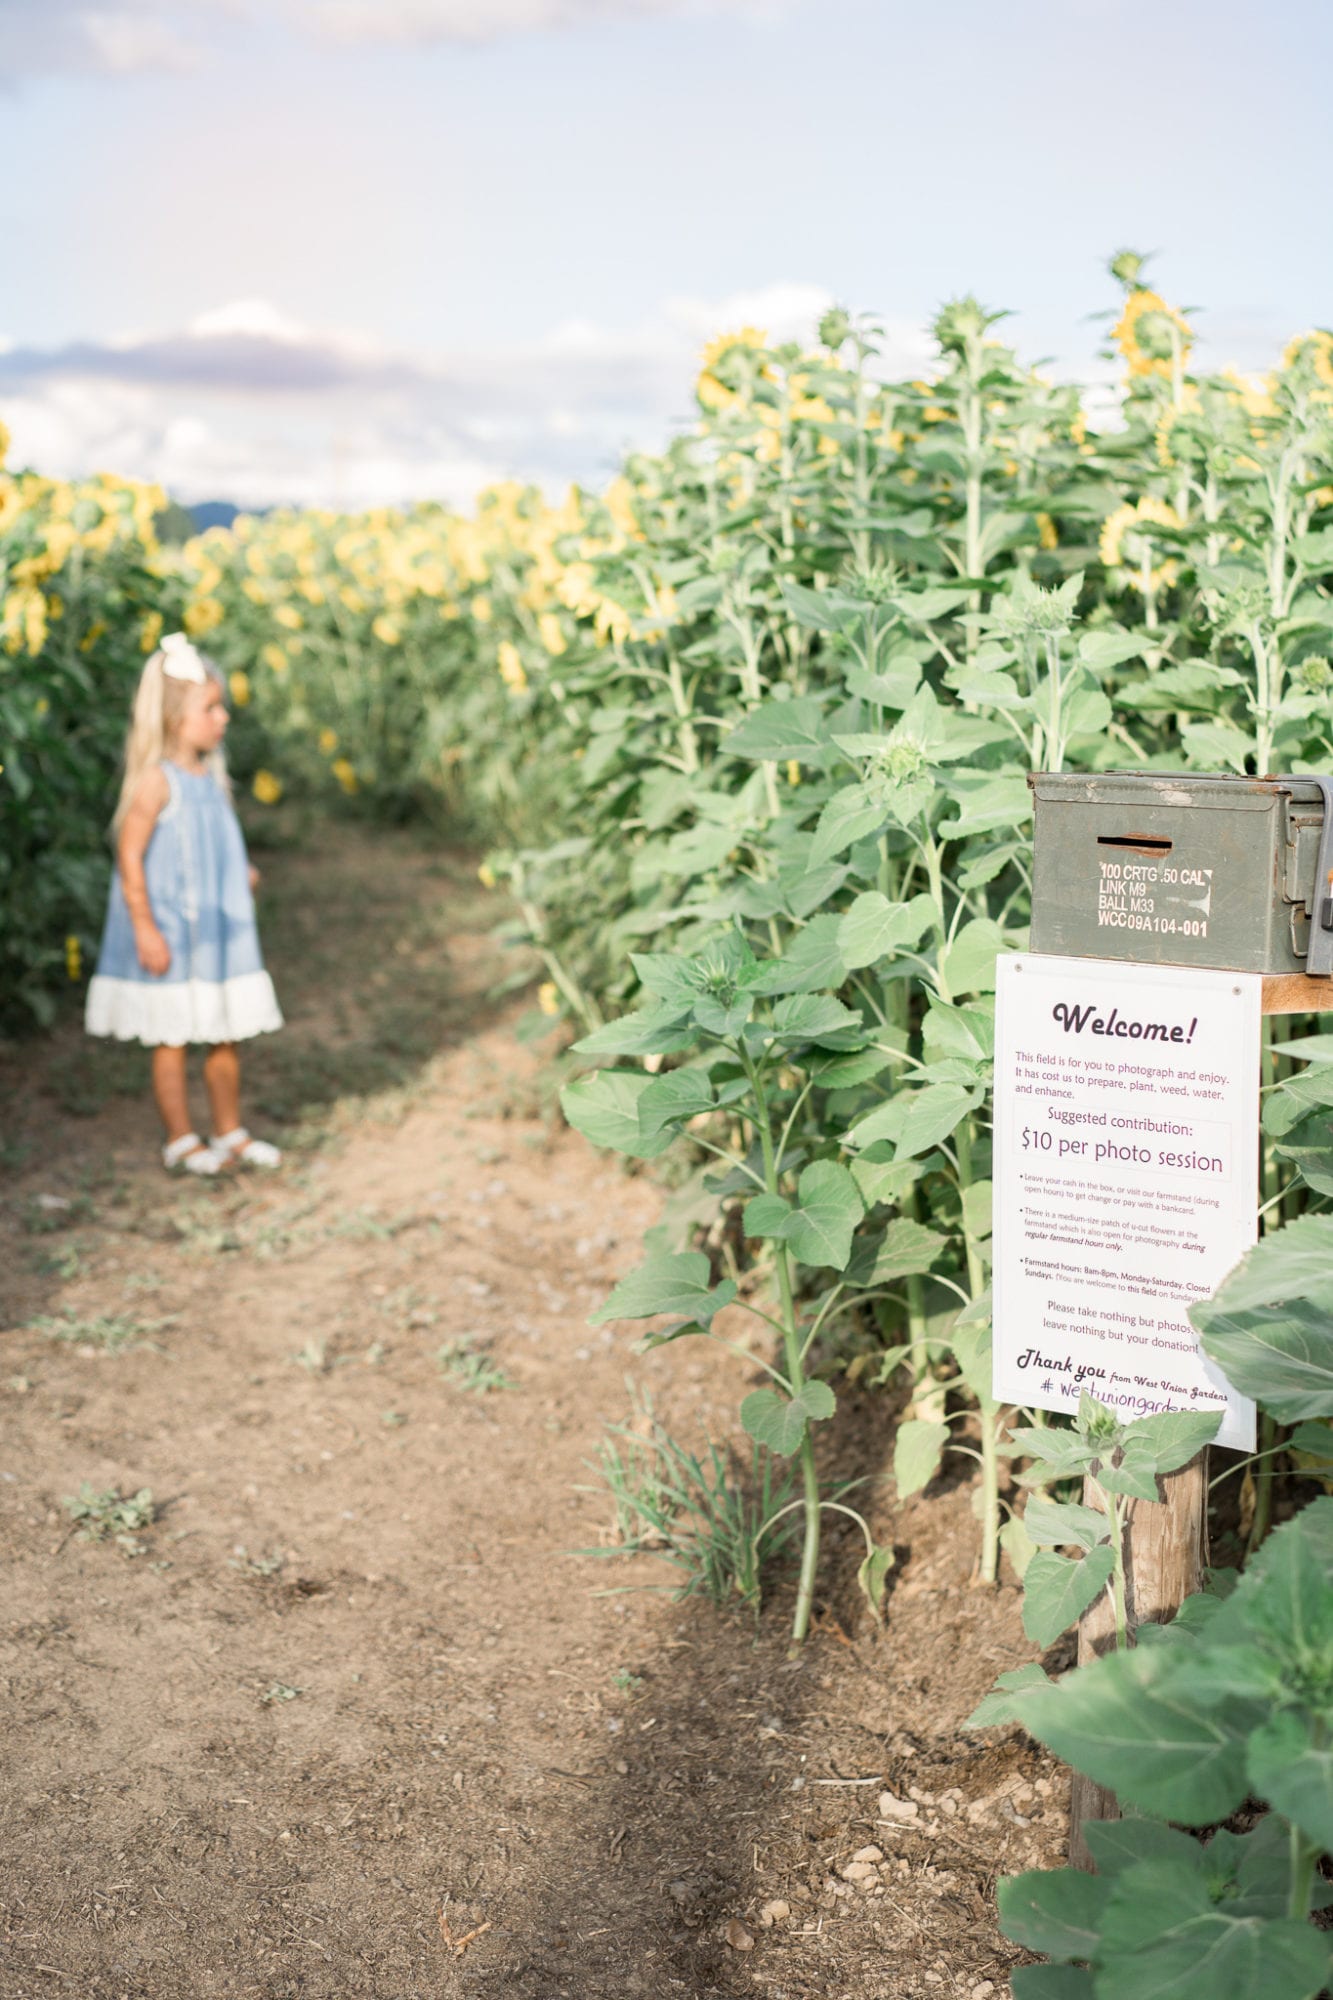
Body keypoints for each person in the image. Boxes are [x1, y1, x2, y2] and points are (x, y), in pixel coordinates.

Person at [85, 632, 284, 1175]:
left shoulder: (211, 779)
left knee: (225, 1032)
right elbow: (130, 860)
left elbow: (214, 842)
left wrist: (239, 870)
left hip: (218, 939)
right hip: (173, 935)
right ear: (175, 717)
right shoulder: (155, 784)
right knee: (171, 1036)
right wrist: (145, 927)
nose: (222, 719)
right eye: (211, 707)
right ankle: (180, 1137)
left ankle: (229, 1130)